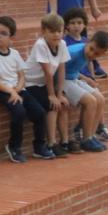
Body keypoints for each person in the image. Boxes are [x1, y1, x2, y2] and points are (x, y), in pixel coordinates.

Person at [0, 15, 46, 164]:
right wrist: (11, 91)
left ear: (11, 36)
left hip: (18, 90)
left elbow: (21, 75)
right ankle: (14, 147)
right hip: (3, 91)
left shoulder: (15, 54)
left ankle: (39, 146)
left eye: (3, 33)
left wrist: (18, 88)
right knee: (19, 112)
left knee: (39, 113)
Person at [63, 8, 108, 141]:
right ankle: (86, 138)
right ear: (88, 42)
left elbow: (86, 65)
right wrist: (57, 92)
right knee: (91, 101)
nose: (92, 54)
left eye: (96, 54)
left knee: (100, 99)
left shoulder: (87, 49)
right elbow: (58, 68)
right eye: (91, 49)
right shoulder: (73, 51)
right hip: (63, 79)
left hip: (73, 78)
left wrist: (89, 77)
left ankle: (92, 135)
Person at [23, 13, 69, 159]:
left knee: (62, 103)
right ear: (43, 31)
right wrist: (52, 95)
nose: (56, 35)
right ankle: (51, 143)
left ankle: (65, 141)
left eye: (59, 31)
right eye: (52, 31)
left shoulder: (62, 44)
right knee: (51, 105)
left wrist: (59, 93)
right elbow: (48, 73)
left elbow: (61, 69)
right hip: (30, 83)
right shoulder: (40, 45)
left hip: (44, 83)